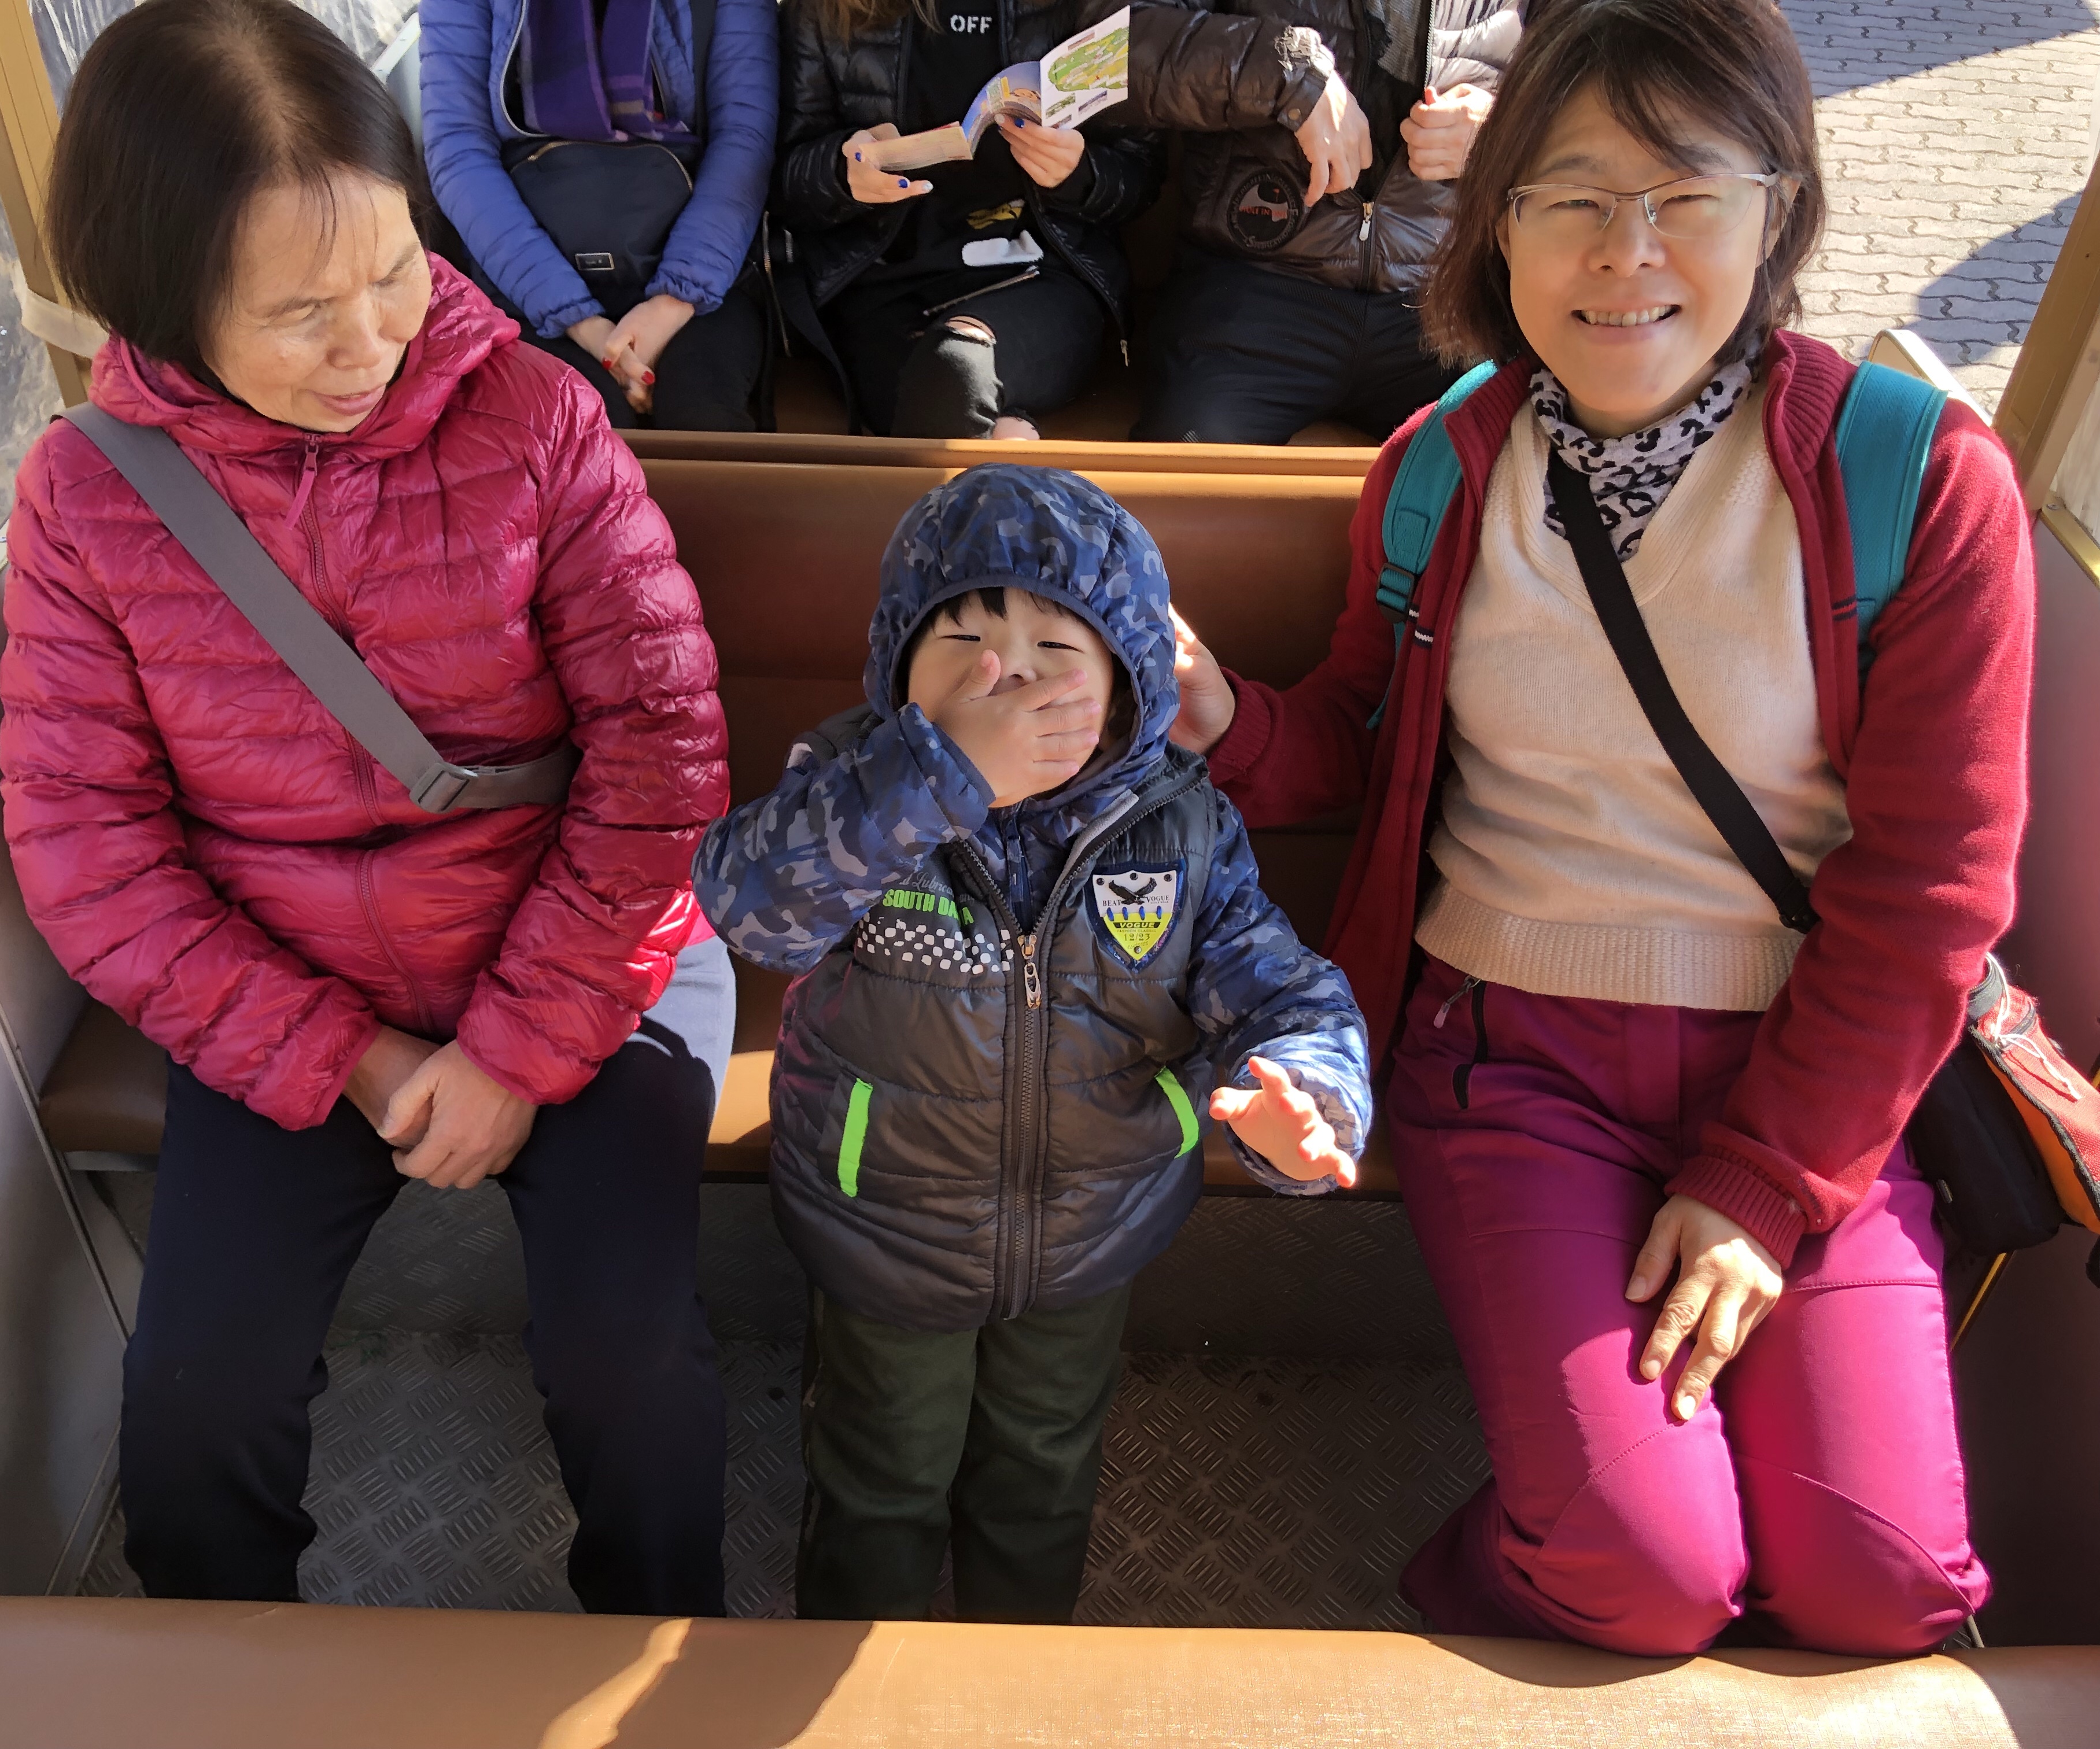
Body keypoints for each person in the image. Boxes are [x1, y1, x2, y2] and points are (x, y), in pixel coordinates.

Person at [1170, 0, 2027, 1655]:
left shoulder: (1917, 479)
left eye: (1684, 191)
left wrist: (1766, 1181)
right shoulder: (1439, 468)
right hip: (1514, 1064)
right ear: (1499, 224)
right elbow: (1362, 737)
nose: (1624, 251)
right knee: (1651, 1575)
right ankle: (1513, 1572)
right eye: (1568, 195)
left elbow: (1936, 888)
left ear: (1780, 207)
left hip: (1812, 1067)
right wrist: (1222, 720)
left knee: (1881, 1584)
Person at [4, 0, 733, 1612]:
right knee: (192, 1410)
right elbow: (91, 853)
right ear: (163, 301)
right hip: (289, 989)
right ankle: (240, 1689)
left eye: (396, 270)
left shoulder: (538, 418)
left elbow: (660, 756)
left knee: (635, 1374)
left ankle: (663, 1653)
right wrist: (358, 1057)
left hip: (584, 951)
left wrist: (515, 1051)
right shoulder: (89, 495)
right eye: (299, 313)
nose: (372, 344)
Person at [692, 464, 1374, 1622]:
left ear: (1128, 683)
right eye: (962, 640)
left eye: (1056, 650)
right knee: (878, 1476)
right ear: (896, 660)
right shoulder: (858, 782)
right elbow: (752, 907)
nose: (1003, 678)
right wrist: (937, 776)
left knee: (1043, 1477)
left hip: (1093, 1227)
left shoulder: (1177, 820)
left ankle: (1019, 1668)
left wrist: (1309, 1093)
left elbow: (1279, 986)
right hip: (885, 1226)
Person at [1123, 0, 1520, 443]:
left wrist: (1505, 131)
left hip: (1451, 303)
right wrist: (1284, 73)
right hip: (1253, 292)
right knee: (1186, 470)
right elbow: (1105, 54)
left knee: (1520, 459)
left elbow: (1579, 80)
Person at [773, 0, 1164, 438]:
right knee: (948, 394)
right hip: (885, 287)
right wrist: (840, 173)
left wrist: (1079, 175)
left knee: (955, 367)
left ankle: (1007, 443)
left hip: (1039, 277)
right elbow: (784, 183)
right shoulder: (830, 9)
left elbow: (1140, 175)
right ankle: (1011, 443)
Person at [421, 0, 777, 429]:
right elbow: (458, 151)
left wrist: (675, 300)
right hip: (526, 279)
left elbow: (743, 140)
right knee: (585, 431)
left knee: (704, 419)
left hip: (701, 271)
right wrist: (578, 320)